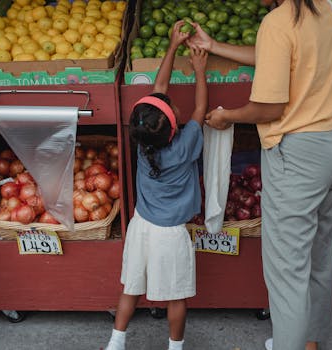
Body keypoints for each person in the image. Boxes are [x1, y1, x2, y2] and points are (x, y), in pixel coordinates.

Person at [188, 1, 332, 350]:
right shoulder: (324, 8)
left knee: (287, 273)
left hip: (297, 157)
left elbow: (269, 108)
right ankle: (311, 342)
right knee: (319, 261)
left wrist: (227, 116)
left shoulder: (278, 22)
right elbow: (278, 57)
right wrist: (214, 46)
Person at [104, 20, 208, 350]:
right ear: (173, 125)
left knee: (130, 288)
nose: (173, 104)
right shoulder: (185, 143)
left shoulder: (142, 142)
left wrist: (172, 45)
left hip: (141, 227)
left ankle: (116, 342)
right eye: (172, 108)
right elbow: (202, 109)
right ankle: (175, 348)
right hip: (170, 235)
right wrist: (199, 71)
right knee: (176, 297)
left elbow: (158, 89)